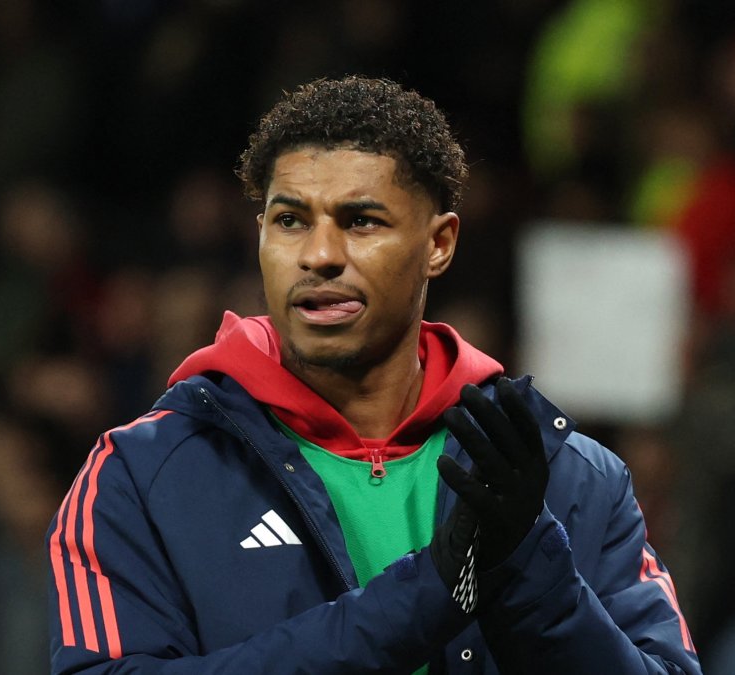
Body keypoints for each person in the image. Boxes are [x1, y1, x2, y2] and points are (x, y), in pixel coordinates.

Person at [46, 75, 702, 674]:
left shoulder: (571, 475)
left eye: (361, 221)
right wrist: (428, 593)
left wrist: (532, 569)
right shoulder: (139, 477)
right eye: (290, 220)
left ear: (439, 244)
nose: (320, 254)